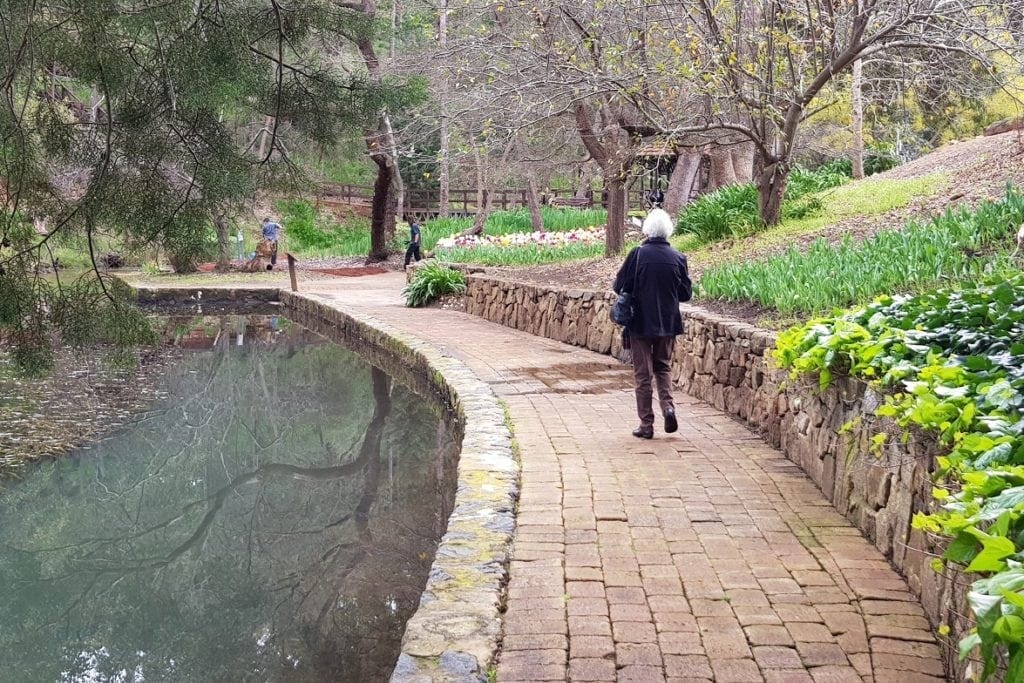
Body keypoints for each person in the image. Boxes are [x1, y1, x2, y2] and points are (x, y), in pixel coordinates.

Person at [613, 208, 692, 439]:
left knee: (643, 374)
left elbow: (619, 286)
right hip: (667, 323)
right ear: (668, 230)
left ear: (647, 229)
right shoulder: (678, 258)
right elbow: (685, 293)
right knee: (663, 367)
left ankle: (646, 425)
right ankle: (668, 407)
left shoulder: (637, 255)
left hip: (639, 322)